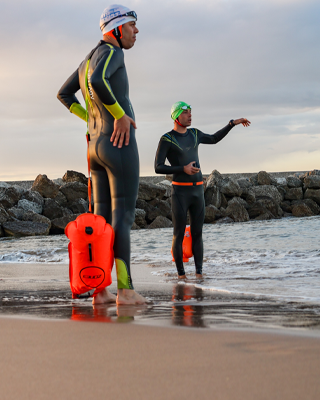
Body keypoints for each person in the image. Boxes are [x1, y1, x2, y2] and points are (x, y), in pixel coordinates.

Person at [57, 4, 146, 305]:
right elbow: (98, 83)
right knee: (123, 217)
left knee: (101, 219)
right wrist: (119, 115)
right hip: (118, 145)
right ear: (117, 28)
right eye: (132, 25)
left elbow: (64, 94)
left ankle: (100, 290)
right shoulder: (111, 52)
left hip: (95, 146)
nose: (136, 31)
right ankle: (125, 290)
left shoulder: (87, 60)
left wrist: (90, 118)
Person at [154, 101, 250, 279]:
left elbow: (214, 139)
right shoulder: (167, 139)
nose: (190, 115)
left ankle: (199, 274)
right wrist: (182, 169)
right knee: (179, 234)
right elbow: (158, 167)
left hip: (198, 191)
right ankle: (181, 275)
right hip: (180, 193)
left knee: (198, 234)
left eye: (190, 112)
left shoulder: (195, 134)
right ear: (176, 116)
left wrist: (231, 124)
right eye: (185, 113)